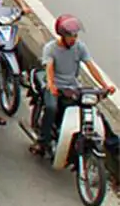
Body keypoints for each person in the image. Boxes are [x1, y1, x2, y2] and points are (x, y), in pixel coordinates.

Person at [32, 14, 117, 154]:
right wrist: (52, 85)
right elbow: (49, 68)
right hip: (56, 88)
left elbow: (91, 66)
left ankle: (113, 144)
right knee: (51, 108)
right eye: (71, 36)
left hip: (73, 87)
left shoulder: (80, 47)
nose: (74, 39)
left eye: (75, 36)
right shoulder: (50, 48)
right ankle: (42, 141)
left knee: (94, 112)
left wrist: (104, 85)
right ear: (62, 35)